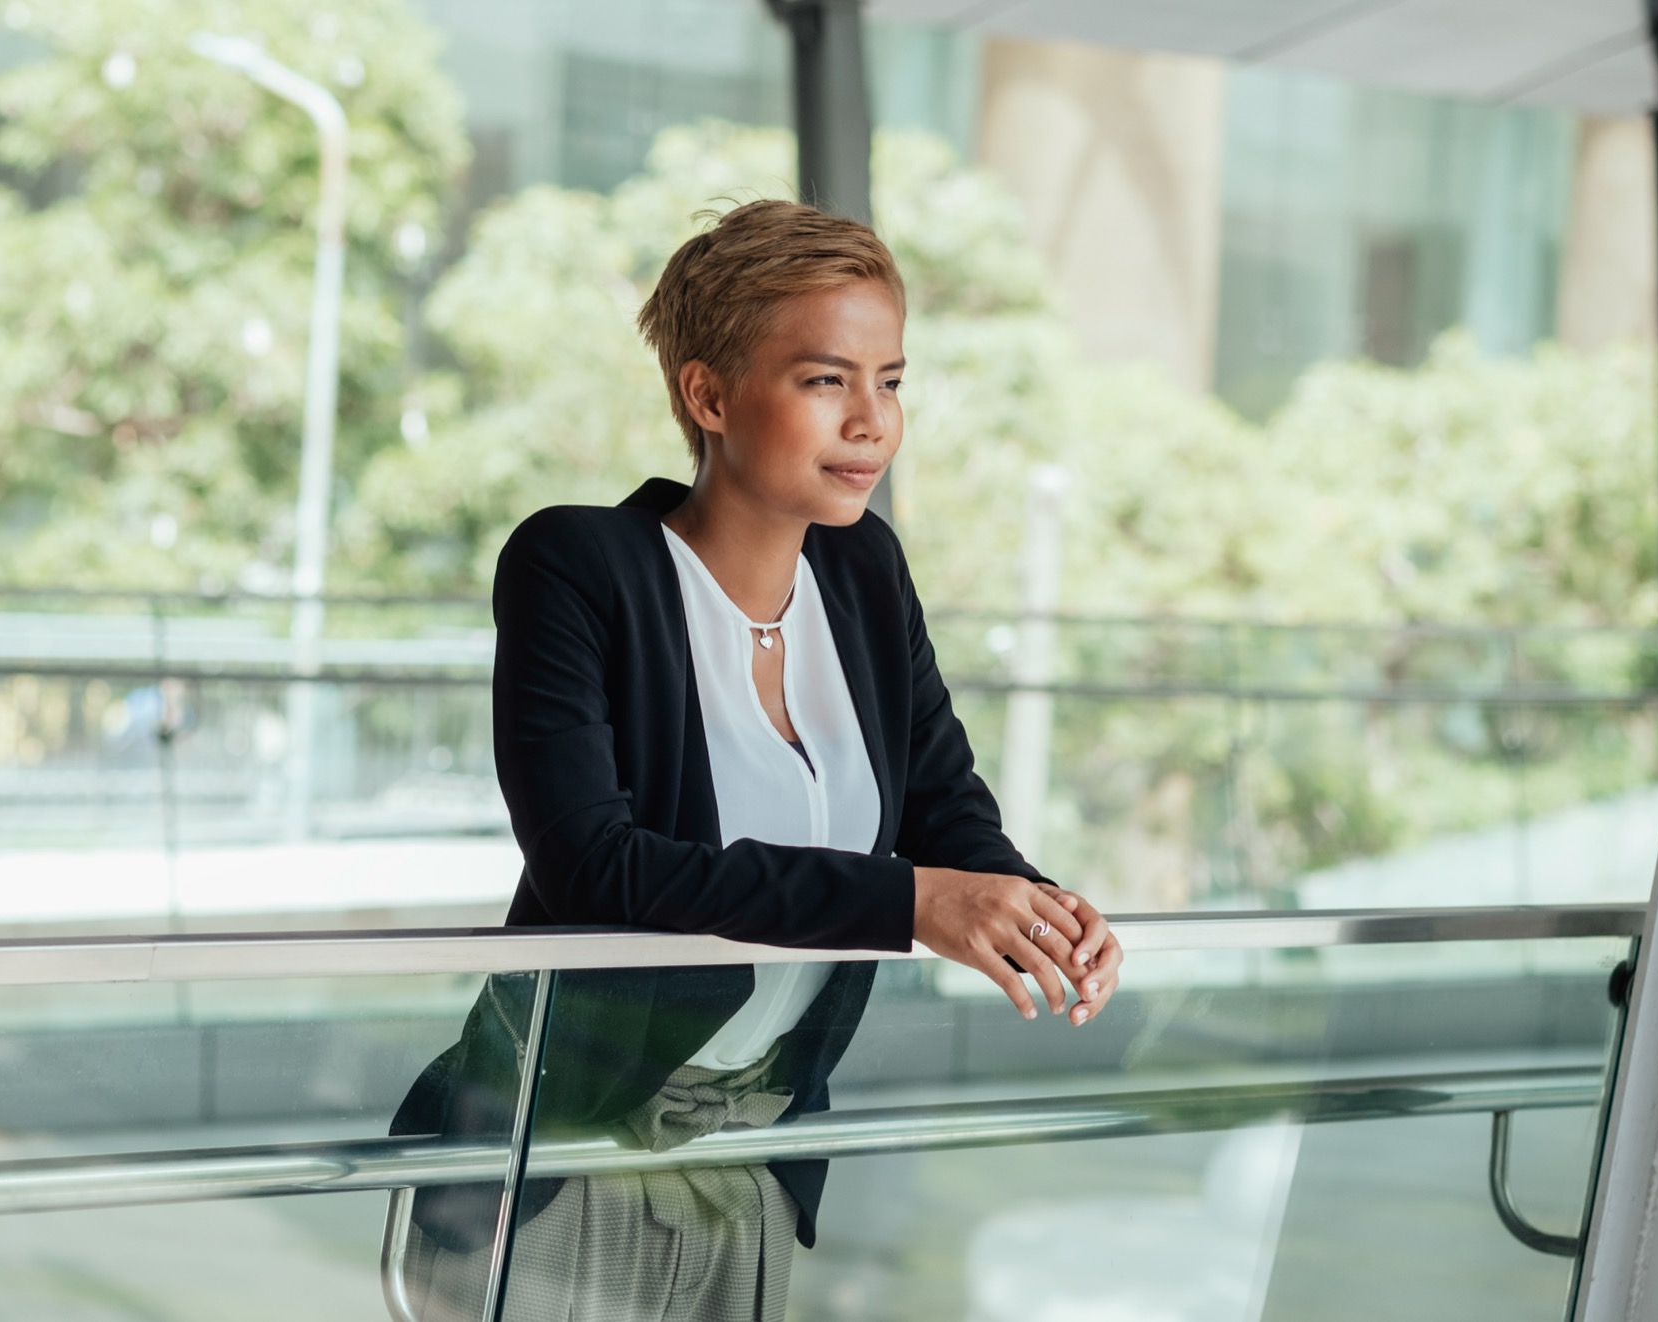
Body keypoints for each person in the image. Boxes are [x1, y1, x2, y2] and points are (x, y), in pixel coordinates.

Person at [390, 198, 1122, 1321]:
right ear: (710, 394)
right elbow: (599, 864)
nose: (872, 421)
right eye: (827, 379)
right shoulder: (577, 566)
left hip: (756, 1156)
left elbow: (937, 797)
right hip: (558, 1151)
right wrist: (913, 900)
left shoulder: (866, 571)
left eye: (892, 379)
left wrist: (1033, 902)